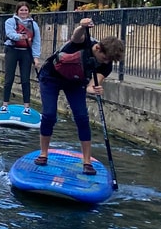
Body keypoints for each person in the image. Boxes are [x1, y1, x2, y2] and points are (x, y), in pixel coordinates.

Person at [36, 17, 126, 175]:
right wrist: (82, 26)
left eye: (109, 60)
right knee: (49, 115)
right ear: (98, 48)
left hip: (75, 82)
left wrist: (93, 90)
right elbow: (76, 36)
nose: (106, 62)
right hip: (51, 77)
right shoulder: (84, 42)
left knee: (82, 117)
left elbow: (93, 83)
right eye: (105, 58)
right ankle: (44, 153)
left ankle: (87, 161)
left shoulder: (107, 65)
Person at [0, 2, 42, 114]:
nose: (24, 12)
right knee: (9, 78)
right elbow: (10, 34)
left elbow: (36, 42)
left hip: (26, 53)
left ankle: (26, 107)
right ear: (17, 11)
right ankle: (5, 105)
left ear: (29, 12)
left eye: (26, 10)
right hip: (12, 51)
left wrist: (36, 57)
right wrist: (21, 36)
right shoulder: (10, 21)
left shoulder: (34, 25)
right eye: (21, 10)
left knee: (25, 80)